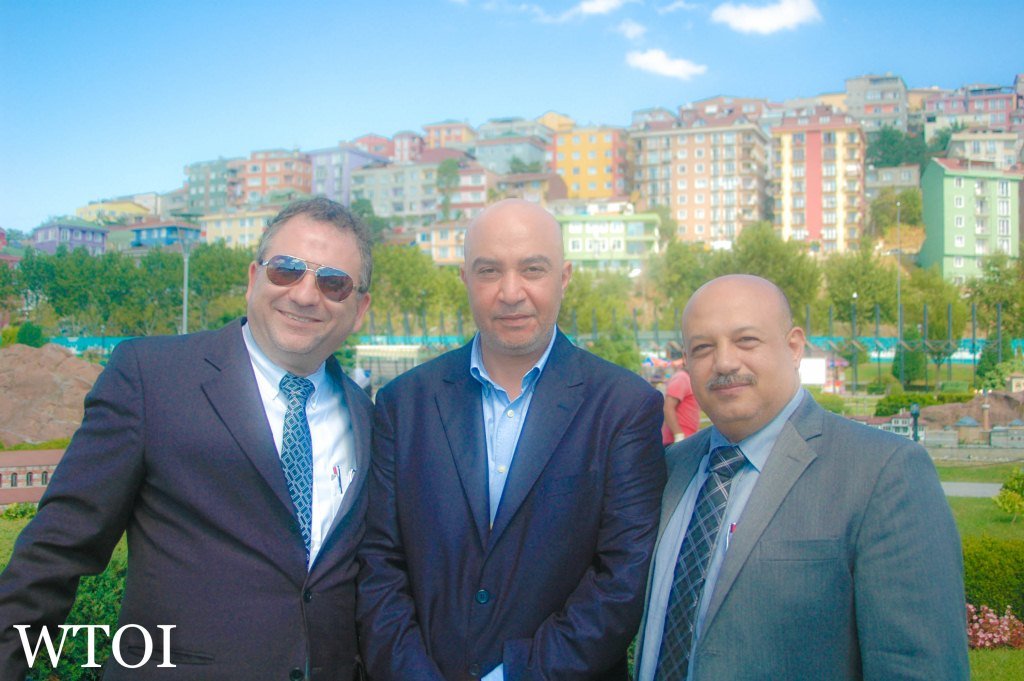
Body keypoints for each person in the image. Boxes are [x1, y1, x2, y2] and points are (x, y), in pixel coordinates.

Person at [0, 197, 374, 681]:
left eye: (333, 282)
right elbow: (55, 553)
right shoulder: (151, 379)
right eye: (286, 270)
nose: (305, 295)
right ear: (253, 279)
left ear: (359, 309)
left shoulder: (370, 419)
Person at [357, 199, 666, 681]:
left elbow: (621, 579)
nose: (510, 292)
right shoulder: (404, 403)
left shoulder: (624, 407)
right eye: (489, 271)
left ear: (564, 278)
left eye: (532, 269)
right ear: (465, 279)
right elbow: (379, 563)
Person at [636, 274, 968, 680]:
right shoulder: (670, 469)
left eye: (746, 340)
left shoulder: (884, 472)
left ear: (794, 347)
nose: (724, 362)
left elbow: (916, 665)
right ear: (686, 362)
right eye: (703, 347)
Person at [661, 368, 699, 446]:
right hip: (677, 441)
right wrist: (678, 435)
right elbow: (668, 408)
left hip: (687, 438)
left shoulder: (687, 378)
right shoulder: (681, 378)